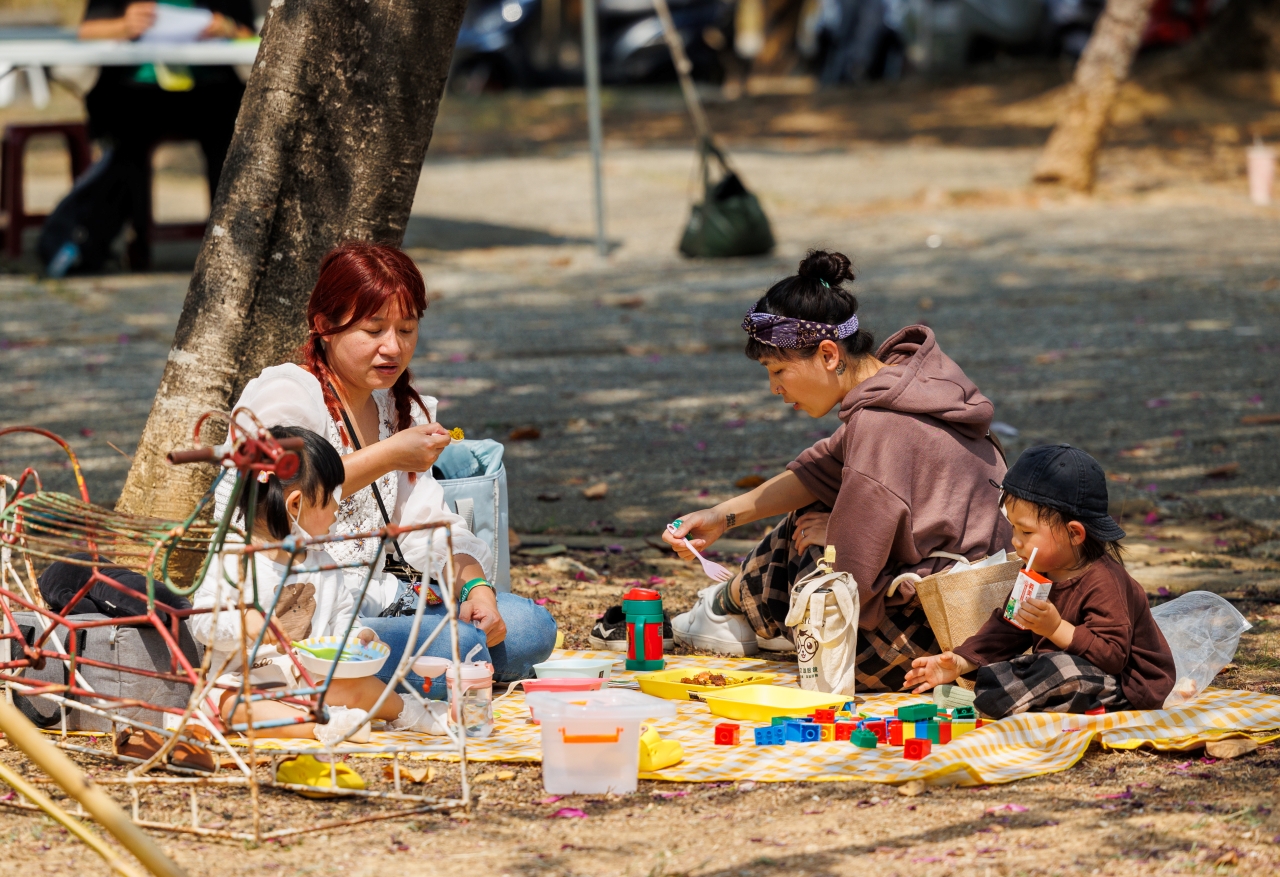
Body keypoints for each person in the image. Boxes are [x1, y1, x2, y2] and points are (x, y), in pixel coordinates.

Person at [214, 242, 556, 697]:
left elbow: (428, 527)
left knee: (530, 627)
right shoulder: (289, 392)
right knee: (466, 646)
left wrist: (476, 587)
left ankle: (398, 677)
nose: (393, 347)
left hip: (381, 603)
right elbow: (278, 491)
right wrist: (390, 455)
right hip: (302, 612)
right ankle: (352, 681)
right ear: (324, 326)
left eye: (406, 329)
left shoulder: (396, 409)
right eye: (373, 330)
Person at [661, 249, 1010, 691]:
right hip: (992, 621)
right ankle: (733, 610)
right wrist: (722, 516)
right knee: (818, 502)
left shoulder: (879, 424)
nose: (775, 387)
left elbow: (851, 576)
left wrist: (834, 535)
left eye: (779, 369)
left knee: (807, 533)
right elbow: (819, 469)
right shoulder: (910, 383)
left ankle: (730, 608)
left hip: (933, 642)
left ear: (828, 354)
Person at [191, 426, 445, 737]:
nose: (338, 508)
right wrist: (242, 621)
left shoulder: (322, 563)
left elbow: (341, 619)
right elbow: (201, 621)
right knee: (235, 707)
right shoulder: (233, 559)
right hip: (244, 686)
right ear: (295, 505)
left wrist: (358, 638)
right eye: (331, 499)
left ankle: (410, 712)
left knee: (363, 686)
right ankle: (319, 727)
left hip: (308, 684)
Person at [904, 445, 1177, 717]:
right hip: (1062, 670)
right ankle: (1005, 699)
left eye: (1026, 531)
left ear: (1074, 534)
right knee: (1022, 668)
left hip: (1126, 685)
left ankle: (999, 702)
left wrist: (1056, 627)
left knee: (1060, 671)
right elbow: (1008, 627)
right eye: (1013, 527)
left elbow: (1113, 656)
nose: (1015, 540)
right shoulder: (1037, 573)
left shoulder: (1105, 580)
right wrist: (961, 662)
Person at [62, 1, 254, 270]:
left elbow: (253, 35)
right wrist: (124, 26)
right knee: (126, 144)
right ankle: (133, 242)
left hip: (212, 91)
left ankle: (228, 245)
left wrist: (227, 28)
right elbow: (87, 31)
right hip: (137, 92)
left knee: (232, 144)